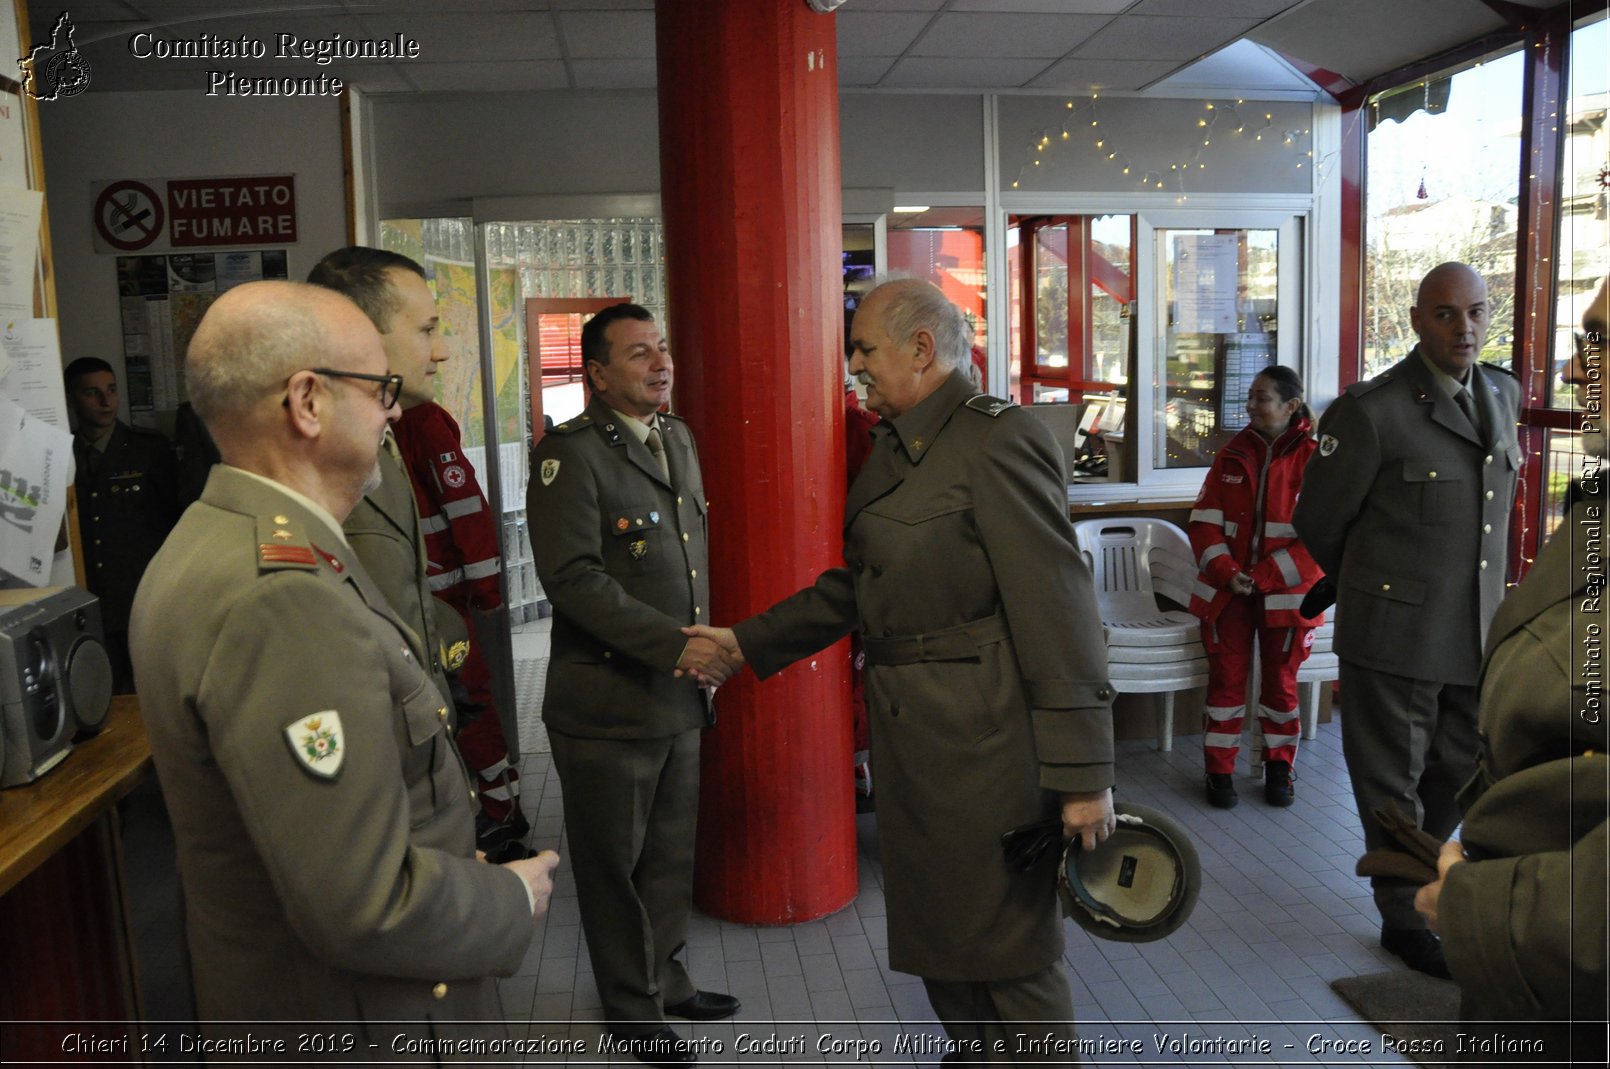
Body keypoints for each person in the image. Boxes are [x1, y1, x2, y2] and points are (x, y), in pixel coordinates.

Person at [686, 278, 1117, 1062]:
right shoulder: (898, 445)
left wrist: (1085, 774)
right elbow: (862, 584)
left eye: (863, 348)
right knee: (938, 936)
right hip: (914, 743)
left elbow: (1060, 613)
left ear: (921, 349)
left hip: (987, 746)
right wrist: (745, 643)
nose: (852, 364)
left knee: (1009, 949)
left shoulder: (998, 439)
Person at [128, 281, 558, 1043]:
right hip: (358, 1023)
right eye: (380, 388)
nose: (394, 410)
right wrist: (508, 897)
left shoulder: (217, 536)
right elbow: (366, 901)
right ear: (308, 401)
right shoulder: (281, 598)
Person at [1293, 262, 1521, 979]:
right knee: (1389, 782)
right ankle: (1403, 916)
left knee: (1460, 768)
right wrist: (1375, 586)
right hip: (1393, 635)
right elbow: (1320, 521)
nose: (1466, 328)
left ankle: (1414, 866)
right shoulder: (1374, 410)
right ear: (1418, 319)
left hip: (1475, 632)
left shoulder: (1505, 393)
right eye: (1447, 314)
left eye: (1477, 312)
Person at [526, 302, 739, 1069]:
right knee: (614, 865)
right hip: (608, 702)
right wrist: (680, 648)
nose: (661, 363)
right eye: (640, 353)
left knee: (670, 853)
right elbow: (574, 580)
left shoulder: (675, 436)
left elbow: (682, 561)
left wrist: (693, 659)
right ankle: (629, 1005)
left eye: (664, 349)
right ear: (597, 372)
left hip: (679, 695)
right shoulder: (570, 455)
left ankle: (665, 976)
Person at [1411, 284, 1607, 1032]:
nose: (1573, 370)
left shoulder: (1501, 393)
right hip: (1535, 979)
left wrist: (1478, 906)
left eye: (1601, 341)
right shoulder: (1377, 408)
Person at [308, 246, 530, 862]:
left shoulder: (389, 437)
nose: (442, 350)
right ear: (359, 332)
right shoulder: (332, 454)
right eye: (428, 329)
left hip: (424, 708)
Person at [1187, 366, 1323, 809]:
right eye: (1250, 396)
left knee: (1282, 689)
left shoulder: (1317, 458)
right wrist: (1228, 571)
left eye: (1261, 397)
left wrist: (1261, 576)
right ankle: (1219, 773)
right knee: (1225, 685)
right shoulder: (1231, 453)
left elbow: (1322, 536)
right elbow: (1204, 521)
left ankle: (1279, 770)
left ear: (1290, 406)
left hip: (1286, 598)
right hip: (1229, 594)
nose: (1250, 405)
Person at [63, 355, 178, 692]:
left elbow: (175, 522)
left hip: (141, 601)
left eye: (111, 390)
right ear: (71, 399)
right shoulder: (62, 453)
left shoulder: (148, 449)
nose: (105, 401)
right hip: (89, 604)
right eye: (92, 393)